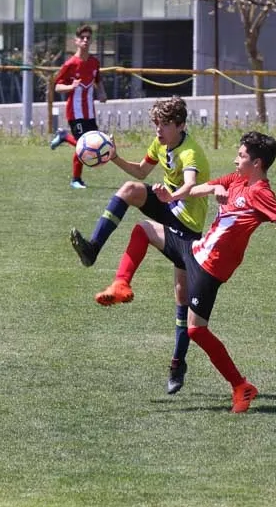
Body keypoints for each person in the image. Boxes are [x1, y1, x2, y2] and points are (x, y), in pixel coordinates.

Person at [141, 131, 276, 413]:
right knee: (144, 230)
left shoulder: (261, 193)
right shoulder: (237, 179)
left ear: (257, 163)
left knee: (196, 330)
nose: (235, 160)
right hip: (197, 251)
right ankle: (121, 284)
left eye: (241, 156)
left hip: (211, 268)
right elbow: (199, 189)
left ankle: (241, 386)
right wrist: (173, 196)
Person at [70, 95, 210, 394]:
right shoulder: (160, 144)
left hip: (187, 228)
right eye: (156, 124)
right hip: (169, 209)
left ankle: (177, 363)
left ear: (180, 125)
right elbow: (141, 172)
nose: (159, 130)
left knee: (183, 301)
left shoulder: (190, 152)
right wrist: (114, 157)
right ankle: (93, 249)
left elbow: (190, 184)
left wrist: (171, 195)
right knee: (130, 191)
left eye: (164, 125)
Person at [49, 24, 108, 189]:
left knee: (91, 144)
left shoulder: (94, 62)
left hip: (90, 112)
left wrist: (102, 93)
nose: (85, 40)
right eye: (82, 38)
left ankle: (64, 137)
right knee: (84, 145)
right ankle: (75, 179)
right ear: (76, 41)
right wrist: (71, 86)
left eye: (88, 38)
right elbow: (57, 87)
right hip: (75, 113)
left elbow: (98, 81)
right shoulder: (70, 64)